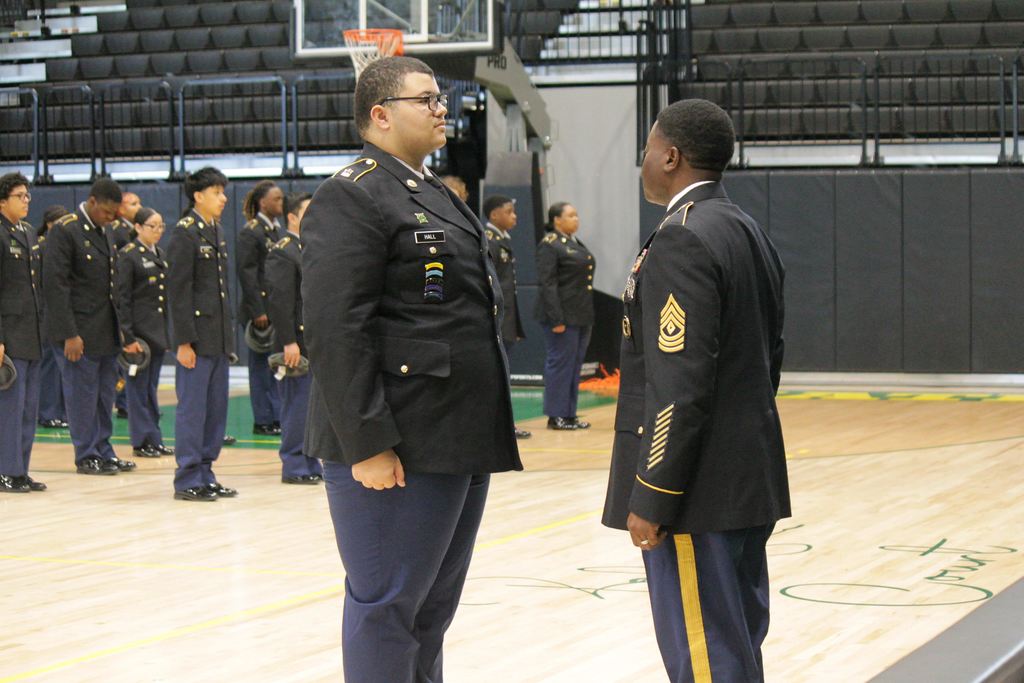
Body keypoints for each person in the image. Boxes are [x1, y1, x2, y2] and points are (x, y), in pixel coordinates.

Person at [302, 56, 522, 682]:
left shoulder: (423, 188)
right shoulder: (352, 193)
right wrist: (366, 443)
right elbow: (336, 330)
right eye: (425, 99)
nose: (440, 108)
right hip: (395, 442)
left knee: (430, 612)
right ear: (380, 115)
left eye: (439, 97)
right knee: (388, 608)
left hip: (453, 435)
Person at [602, 99, 790, 683]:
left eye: (647, 151)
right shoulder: (745, 228)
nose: (643, 164)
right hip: (744, 477)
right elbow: (770, 357)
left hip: (695, 491)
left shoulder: (682, 238)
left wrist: (654, 493)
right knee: (737, 642)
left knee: (706, 657)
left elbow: (678, 386)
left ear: (671, 156)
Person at [43, 178, 136, 475]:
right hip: (78, 333)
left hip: (105, 330)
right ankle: (87, 454)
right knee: (82, 396)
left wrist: (121, 329)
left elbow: (112, 287)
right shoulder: (65, 230)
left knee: (104, 396)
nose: (111, 219)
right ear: (92, 202)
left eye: (114, 214)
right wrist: (70, 334)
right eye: (107, 212)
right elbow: (56, 287)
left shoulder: (105, 231)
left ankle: (104, 450)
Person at [167, 167, 237, 502]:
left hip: (216, 337)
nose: (223, 199)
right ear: (198, 195)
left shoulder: (216, 231)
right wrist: (183, 341)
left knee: (215, 411)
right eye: (216, 192)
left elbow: (221, 292)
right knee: (193, 410)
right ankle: (187, 477)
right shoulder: (185, 233)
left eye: (223, 192)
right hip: (195, 339)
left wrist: (228, 341)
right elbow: (179, 292)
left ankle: (206, 471)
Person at [265, 191, 323, 485]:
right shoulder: (283, 251)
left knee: (312, 409)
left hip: (313, 342)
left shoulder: (308, 248)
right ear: (292, 217)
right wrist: (288, 341)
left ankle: (310, 461)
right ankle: (294, 464)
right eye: (308, 211)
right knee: (297, 406)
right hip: (295, 344)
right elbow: (280, 302)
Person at [0, 173, 46, 492]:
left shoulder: (28, 232)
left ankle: (20, 469)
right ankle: (5, 470)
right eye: (20, 196)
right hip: (10, 332)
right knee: (9, 408)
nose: (26, 200)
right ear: (3, 201)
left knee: (28, 407)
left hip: (32, 330)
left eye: (28, 195)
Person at [115, 207, 174, 459]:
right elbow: (122, 299)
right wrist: (127, 338)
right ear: (138, 227)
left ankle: (154, 438)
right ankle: (141, 440)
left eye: (161, 226)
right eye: (152, 226)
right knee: (137, 390)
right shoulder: (129, 255)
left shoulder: (159, 253)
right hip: (138, 336)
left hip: (156, 333)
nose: (158, 231)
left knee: (150, 389)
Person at [534, 201, 595, 430]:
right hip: (561, 316)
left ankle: (569, 414)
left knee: (574, 365)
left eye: (577, 215)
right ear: (556, 220)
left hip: (580, 314)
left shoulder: (573, 242)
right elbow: (547, 284)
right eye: (571, 215)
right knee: (560, 364)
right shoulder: (550, 244)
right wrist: (556, 319)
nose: (576, 219)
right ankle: (556, 415)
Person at [237, 180, 284, 437]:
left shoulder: (276, 231)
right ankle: (263, 418)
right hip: (260, 313)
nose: (281, 202)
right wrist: (257, 311)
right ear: (263, 202)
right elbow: (247, 274)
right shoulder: (252, 231)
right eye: (276, 199)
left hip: (275, 309)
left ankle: (275, 414)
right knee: (259, 369)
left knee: (273, 368)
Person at [483, 194, 530, 439]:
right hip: (497, 318)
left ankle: (506, 425)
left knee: (505, 372)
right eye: (509, 212)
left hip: (507, 317)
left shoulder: (503, 239)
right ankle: (499, 426)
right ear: (493, 215)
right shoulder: (489, 240)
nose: (514, 216)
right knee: (498, 375)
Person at [36, 204, 69, 430]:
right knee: (49, 364)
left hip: (60, 312)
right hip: (45, 311)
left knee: (61, 366)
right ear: (49, 224)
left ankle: (61, 411)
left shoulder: (62, 246)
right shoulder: (42, 247)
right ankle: (48, 413)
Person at [111, 191, 142, 419]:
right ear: (120, 209)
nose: (138, 207)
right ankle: (123, 402)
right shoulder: (119, 233)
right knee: (124, 359)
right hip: (122, 298)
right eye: (133, 204)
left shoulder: (129, 230)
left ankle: (126, 401)